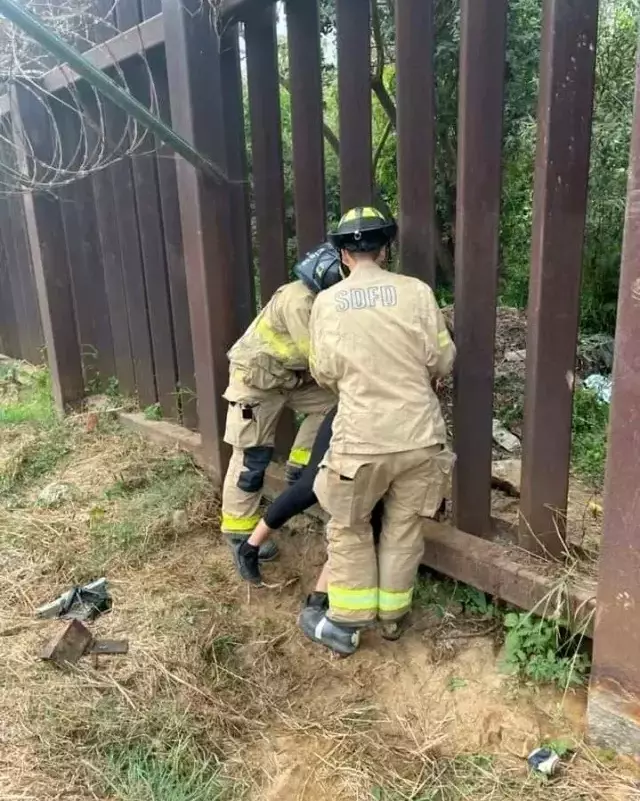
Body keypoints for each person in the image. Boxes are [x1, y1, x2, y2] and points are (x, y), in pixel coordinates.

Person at [300, 206, 456, 656]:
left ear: (344, 254)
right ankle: (392, 619)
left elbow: (324, 371)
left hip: (361, 442)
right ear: (384, 248)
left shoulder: (327, 302)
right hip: (421, 436)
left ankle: (345, 627)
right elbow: (443, 359)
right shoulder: (418, 292)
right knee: (404, 527)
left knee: (349, 527)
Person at [220, 243, 342, 561]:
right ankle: (238, 530)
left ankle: (300, 467)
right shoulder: (300, 300)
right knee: (252, 457)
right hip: (255, 382)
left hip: (290, 380)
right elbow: (319, 358)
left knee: (336, 403)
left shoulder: (322, 299)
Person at [233, 406, 384, 586]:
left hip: (387, 432)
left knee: (368, 514)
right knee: (310, 486)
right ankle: (250, 547)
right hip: (350, 416)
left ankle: (319, 598)